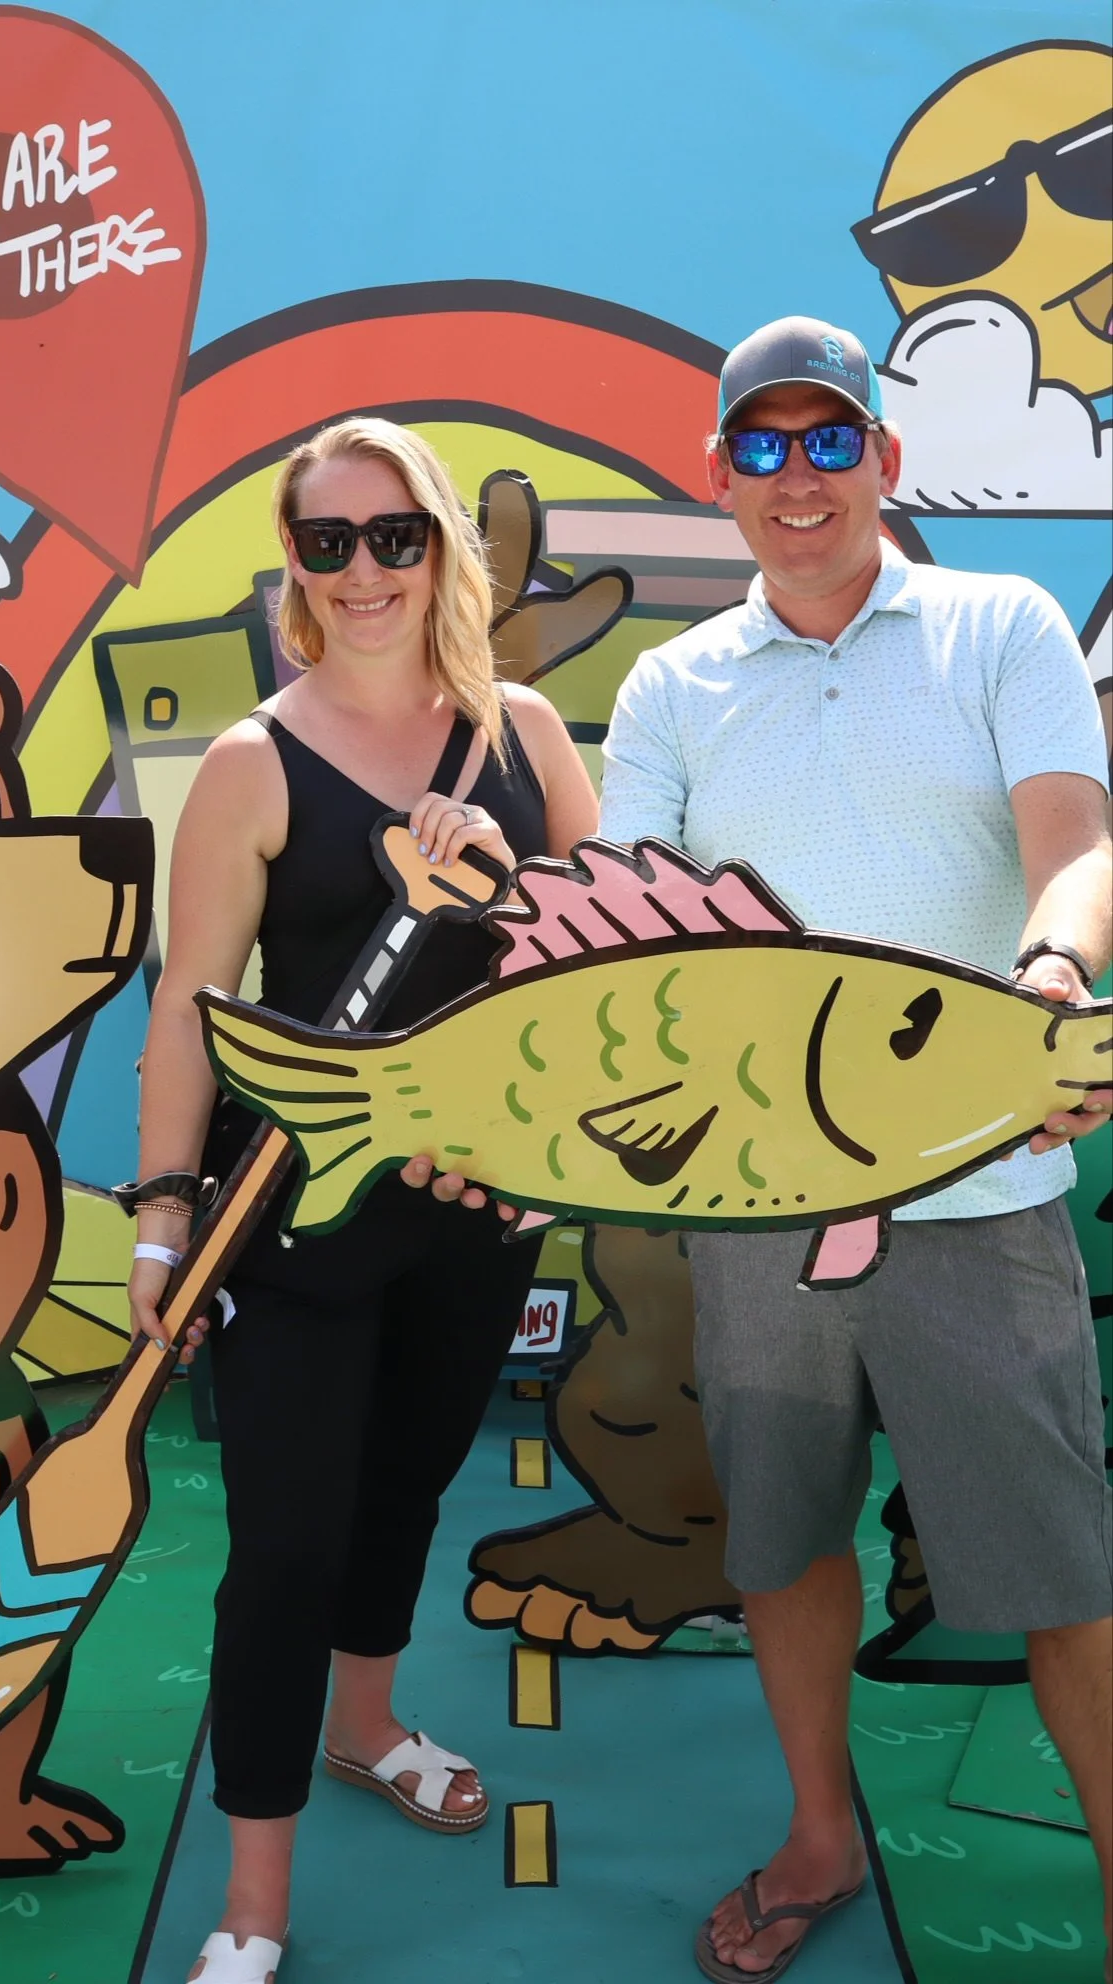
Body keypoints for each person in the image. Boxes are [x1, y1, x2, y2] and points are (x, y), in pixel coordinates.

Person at [599, 317, 1113, 1982]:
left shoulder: (999, 624)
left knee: (1061, 1570)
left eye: (830, 442)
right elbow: (628, 951)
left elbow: (1074, 839)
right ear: (719, 478)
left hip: (984, 1198)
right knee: (785, 1539)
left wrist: (1048, 978)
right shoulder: (669, 686)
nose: (798, 477)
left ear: (885, 463)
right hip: (757, 1221)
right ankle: (820, 1834)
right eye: (763, 446)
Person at [126, 416, 598, 1984]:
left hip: (478, 1211)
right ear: (295, 569)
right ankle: (253, 1905)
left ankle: (369, 1725)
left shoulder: (523, 734)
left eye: (392, 536)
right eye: (327, 543)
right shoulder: (256, 762)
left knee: (404, 1497)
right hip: (301, 1219)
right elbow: (191, 1006)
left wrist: (510, 889)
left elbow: (608, 966)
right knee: (282, 1547)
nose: (364, 571)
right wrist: (159, 1220)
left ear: (440, 548)